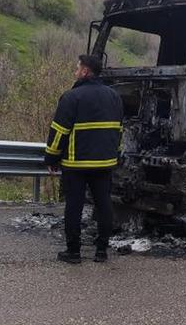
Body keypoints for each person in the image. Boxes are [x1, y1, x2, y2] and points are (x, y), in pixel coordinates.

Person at [44, 54, 123, 264]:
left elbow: (59, 132)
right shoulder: (114, 97)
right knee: (104, 205)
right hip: (104, 163)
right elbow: (119, 130)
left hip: (76, 163)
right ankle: (101, 251)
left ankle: (73, 253)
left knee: (74, 207)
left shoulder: (71, 97)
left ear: (86, 71)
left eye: (77, 68)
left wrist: (51, 157)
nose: (75, 71)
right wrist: (114, 154)